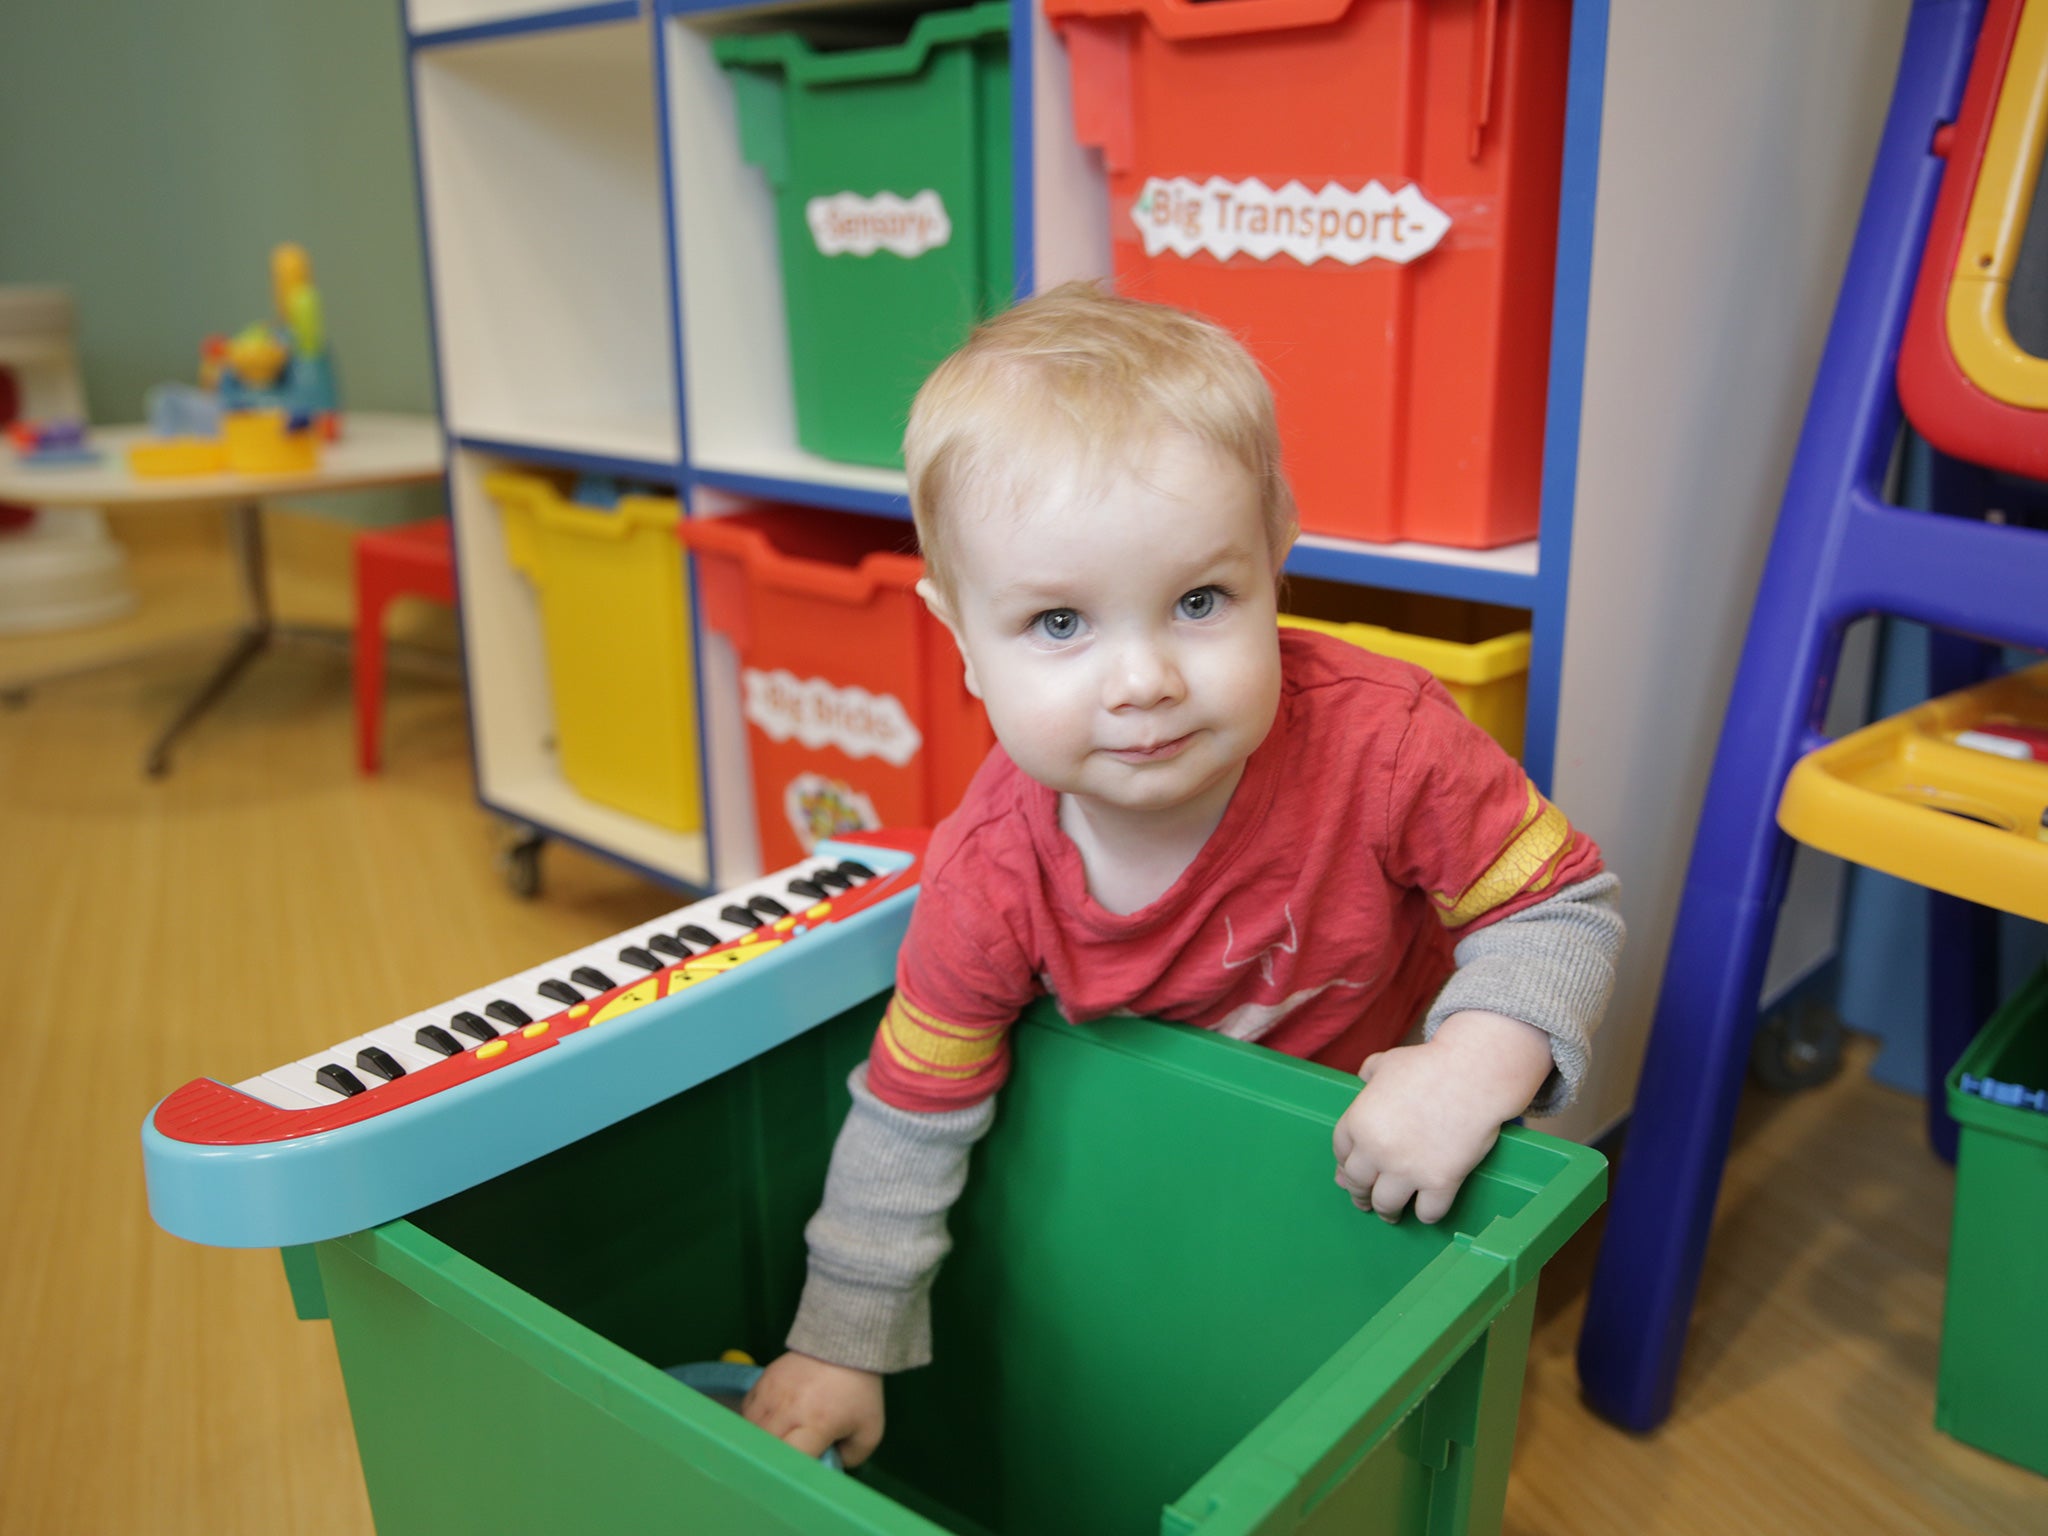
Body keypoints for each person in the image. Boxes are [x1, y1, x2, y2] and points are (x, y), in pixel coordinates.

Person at [740, 282, 1623, 1467]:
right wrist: (841, 1341)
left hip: (1373, 1182)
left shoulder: (1384, 742)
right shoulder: (990, 872)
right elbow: (913, 1106)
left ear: (1276, 563)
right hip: (1147, 1206)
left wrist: (1478, 1060)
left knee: (1367, 1444)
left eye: (1200, 600)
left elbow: (1557, 901)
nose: (1143, 678)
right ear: (956, 636)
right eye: (1059, 624)